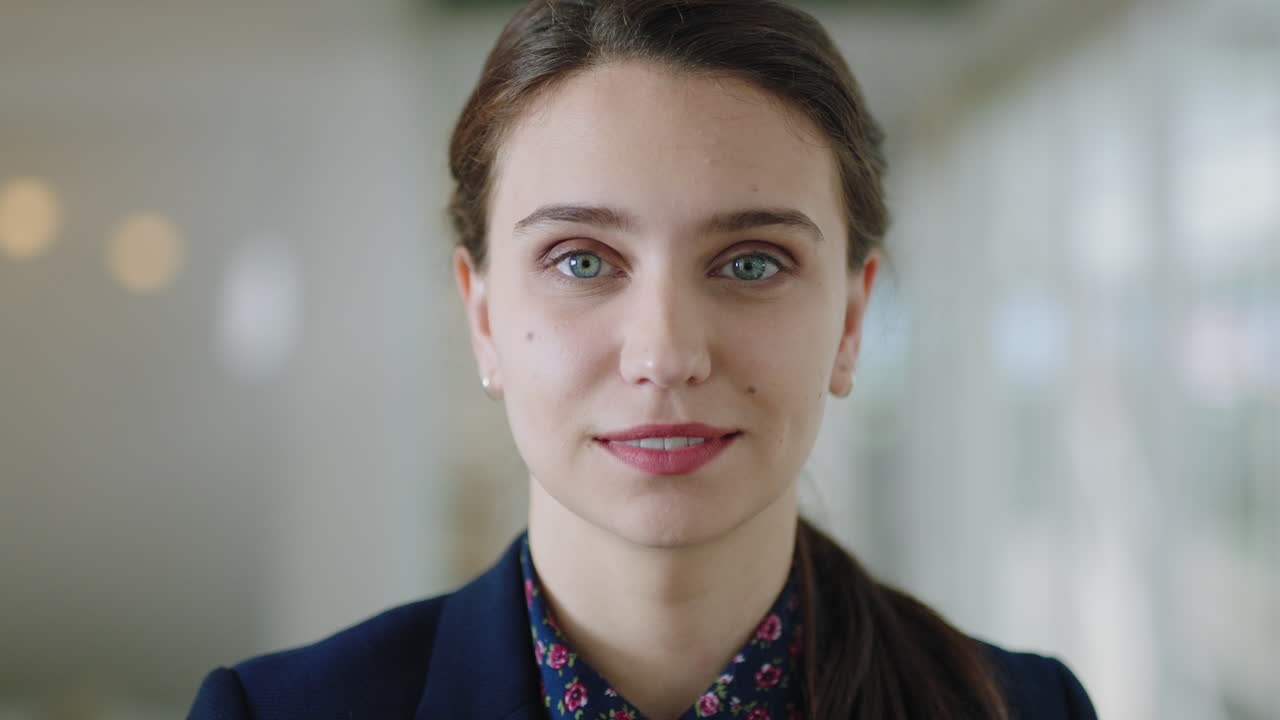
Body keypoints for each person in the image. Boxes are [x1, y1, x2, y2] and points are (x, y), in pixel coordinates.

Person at [188, 1, 1099, 718]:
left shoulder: (1026, 710)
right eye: (581, 260)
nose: (665, 354)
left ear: (852, 319)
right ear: (484, 317)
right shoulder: (272, 712)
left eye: (751, 263)